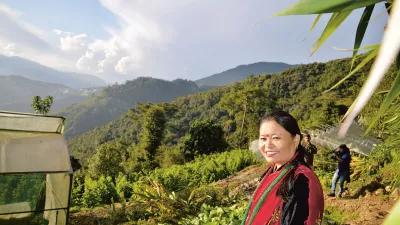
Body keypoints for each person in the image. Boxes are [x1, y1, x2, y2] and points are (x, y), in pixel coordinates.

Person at [241, 111, 324, 225]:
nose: (268, 145)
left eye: (276, 138)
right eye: (263, 139)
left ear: (295, 140)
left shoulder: (301, 180)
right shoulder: (272, 170)